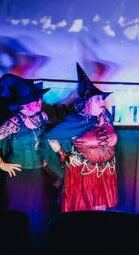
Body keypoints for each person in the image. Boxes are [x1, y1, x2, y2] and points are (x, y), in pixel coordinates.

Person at [42, 65, 118, 212]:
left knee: (102, 211)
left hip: (106, 172)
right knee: (84, 211)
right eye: (97, 100)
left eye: (101, 99)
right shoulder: (76, 120)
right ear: (87, 102)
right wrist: (64, 154)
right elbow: (50, 137)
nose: (102, 102)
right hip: (84, 173)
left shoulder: (106, 116)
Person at [0, 74, 50, 236]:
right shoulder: (14, 122)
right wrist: (1, 164)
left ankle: (35, 245)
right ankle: (17, 243)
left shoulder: (42, 117)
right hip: (19, 173)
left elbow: (43, 140)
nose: (40, 102)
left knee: (37, 210)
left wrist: (46, 157)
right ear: (25, 104)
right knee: (19, 210)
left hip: (37, 172)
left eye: (40, 99)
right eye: (36, 101)